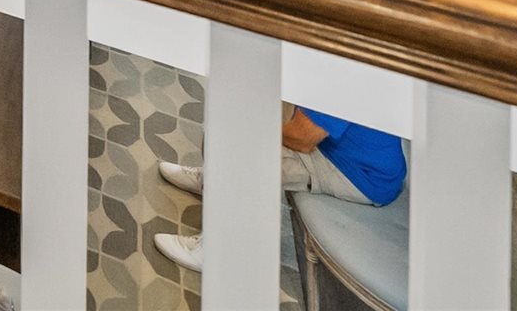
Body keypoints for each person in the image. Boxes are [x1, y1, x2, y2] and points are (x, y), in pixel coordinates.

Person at [149, 106, 407, 274]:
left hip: (360, 175)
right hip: (338, 150)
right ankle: (213, 179)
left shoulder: (345, 69)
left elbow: (302, 139)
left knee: (249, 154)